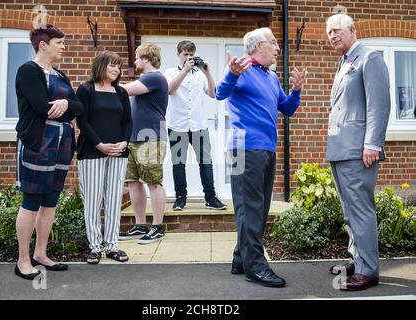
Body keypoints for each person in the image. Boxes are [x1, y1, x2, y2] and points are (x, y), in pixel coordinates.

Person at [215, 27, 307, 287]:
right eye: (274, 43)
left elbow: (287, 109)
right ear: (258, 46)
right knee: (251, 207)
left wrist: (296, 91)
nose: (278, 48)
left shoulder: (271, 77)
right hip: (242, 149)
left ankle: (240, 258)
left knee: (259, 207)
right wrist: (231, 74)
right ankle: (255, 266)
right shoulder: (241, 69)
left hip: (266, 149)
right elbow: (220, 92)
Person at [325, 14, 390, 291]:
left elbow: (379, 103)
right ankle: (357, 257)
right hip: (340, 148)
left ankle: (368, 270)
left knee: (361, 210)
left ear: (352, 30)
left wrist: (372, 143)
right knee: (349, 211)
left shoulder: (369, 57)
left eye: (337, 30)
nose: (333, 36)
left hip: (358, 149)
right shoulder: (345, 61)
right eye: (329, 32)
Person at [14, 24, 83, 280]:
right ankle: (23, 260)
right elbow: (43, 108)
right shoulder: (27, 71)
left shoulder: (61, 76)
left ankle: (41, 253)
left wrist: (66, 102)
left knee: (50, 201)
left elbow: (79, 108)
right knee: (31, 201)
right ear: (43, 45)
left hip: (62, 144)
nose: (64, 47)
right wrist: (70, 107)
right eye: (59, 43)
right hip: (38, 142)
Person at [76, 51, 132, 264]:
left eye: (118, 66)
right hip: (92, 152)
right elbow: (83, 122)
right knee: (92, 200)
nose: (116, 70)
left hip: (118, 152)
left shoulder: (120, 92)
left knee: (113, 200)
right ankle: (95, 247)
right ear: (101, 66)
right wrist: (100, 145)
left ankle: (112, 245)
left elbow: (128, 122)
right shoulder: (86, 90)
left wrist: (124, 142)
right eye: (112, 66)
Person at [164, 40, 227, 211]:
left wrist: (208, 73)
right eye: (185, 54)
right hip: (177, 125)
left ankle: (211, 198)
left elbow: (214, 95)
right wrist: (184, 71)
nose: (189, 57)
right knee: (178, 164)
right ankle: (180, 198)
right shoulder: (169, 72)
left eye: (191, 54)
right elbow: (170, 90)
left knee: (205, 162)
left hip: (199, 125)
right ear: (178, 55)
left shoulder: (200, 74)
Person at [119, 43, 169, 244]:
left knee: (153, 182)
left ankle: (157, 227)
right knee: (133, 182)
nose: (135, 61)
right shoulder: (145, 78)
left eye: (138, 57)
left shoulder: (154, 77)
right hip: (134, 137)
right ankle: (140, 225)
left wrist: (105, 83)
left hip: (151, 138)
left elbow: (124, 91)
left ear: (146, 58)